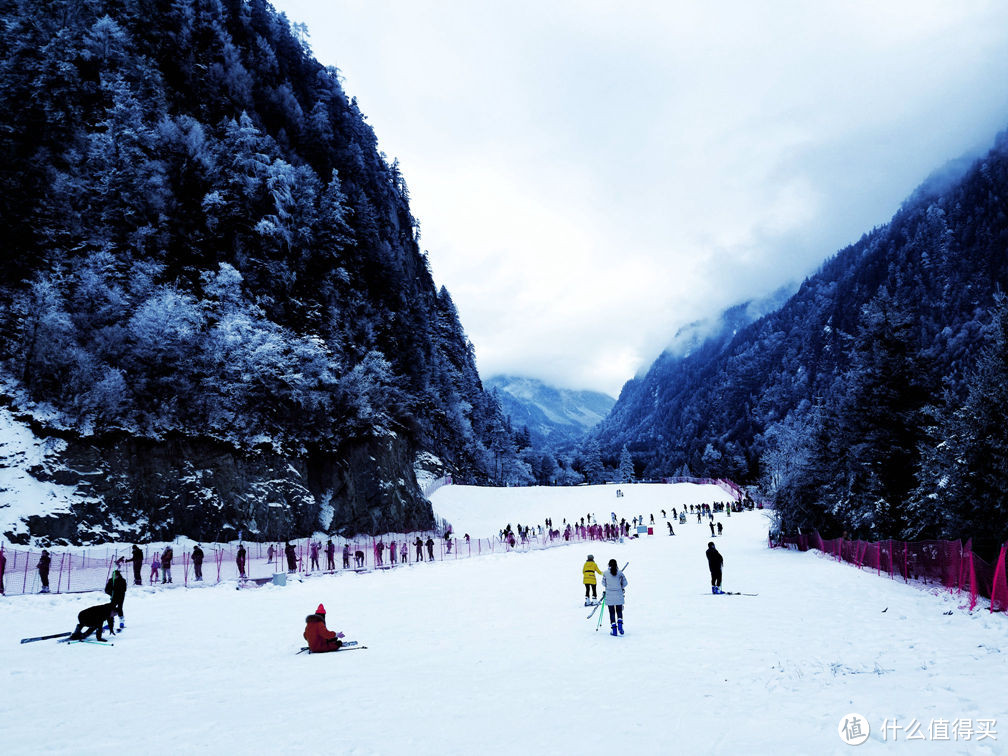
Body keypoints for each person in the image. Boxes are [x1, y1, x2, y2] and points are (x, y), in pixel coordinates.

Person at [601, 559, 627, 636]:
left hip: (609, 595)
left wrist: (609, 586)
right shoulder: (620, 573)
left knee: (611, 612)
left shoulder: (605, 573)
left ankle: (614, 630)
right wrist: (620, 587)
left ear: (608, 564)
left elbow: (603, 583)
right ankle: (620, 626)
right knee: (619, 611)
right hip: (619, 594)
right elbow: (625, 583)